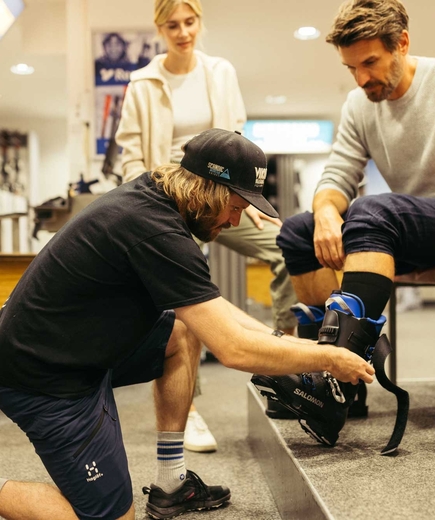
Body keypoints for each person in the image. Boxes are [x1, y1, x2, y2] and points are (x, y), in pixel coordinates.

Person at [0, 129, 374, 520]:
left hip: (79, 347)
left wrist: (314, 350)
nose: (235, 220)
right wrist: (328, 361)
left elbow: (213, 314)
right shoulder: (156, 230)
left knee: (183, 329)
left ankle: (171, 482)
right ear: (209, 189)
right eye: (235, 205)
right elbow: (233, 349)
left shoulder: (156, 200)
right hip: (43, 378)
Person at [115, 0, 298, 447]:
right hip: (169, 199)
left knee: (289, 244)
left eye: (190, 22)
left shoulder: (220, 73)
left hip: (221, 193)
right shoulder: (142, 83)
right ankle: (188, 406)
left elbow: (236, 138)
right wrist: (151, 209)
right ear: (159, 29)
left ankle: (286, 362)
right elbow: (131, 158)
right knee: (180, 298)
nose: (182, 32)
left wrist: (246, 199)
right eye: (172, 25)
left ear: (200, 23)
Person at [252, 0, 433, 449]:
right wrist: (328, 213)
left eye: (370, 62)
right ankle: (339, 387)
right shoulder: (359, 103)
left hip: (419, 219)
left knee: (373, 210)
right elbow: (337, 177)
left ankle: (332, 375)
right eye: (352, 67)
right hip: (408, 229)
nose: (361, 78)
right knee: (298, 229)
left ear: (402, 44)